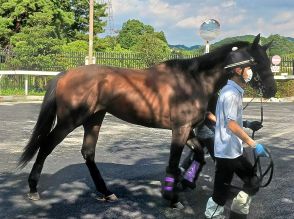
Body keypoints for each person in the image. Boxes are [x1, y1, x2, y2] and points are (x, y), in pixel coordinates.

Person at [204, 47, 269, 219]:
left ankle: (237, 214)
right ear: (238, 70)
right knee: (220, 194)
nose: (250, 72)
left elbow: (224, 119)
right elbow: (231, 124)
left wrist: (247, 123)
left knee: (253, 182)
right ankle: (212, 216)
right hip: (227, 153)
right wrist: (253, 143)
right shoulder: (231, 94)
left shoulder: (232, 92)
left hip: (233, 150)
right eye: (248, 68)